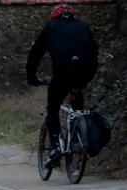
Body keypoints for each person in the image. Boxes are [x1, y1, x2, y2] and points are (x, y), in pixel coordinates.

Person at [26, 3, 98, 167]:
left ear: (55, 16)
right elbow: (95, 49)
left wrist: (32, 77)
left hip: (62, 72)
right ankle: (79, 137)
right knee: (77, 102)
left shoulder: (51, 26)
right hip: (85, 71)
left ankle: (56, 149)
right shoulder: (84, 26)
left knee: (53, 108)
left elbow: (36, 53)